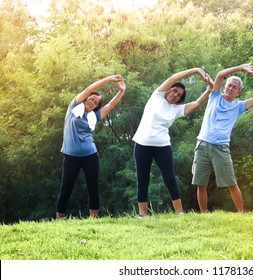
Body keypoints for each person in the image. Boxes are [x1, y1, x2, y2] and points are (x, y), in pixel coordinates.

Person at [132, 68, 214, 217]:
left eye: (179, 95)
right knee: (142, 179)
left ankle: (179, 212)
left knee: (169, 177)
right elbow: (172, 78)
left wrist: (209, 89)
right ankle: (142, 214)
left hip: (162, 146)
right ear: (169, 89)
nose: (175, 95)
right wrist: (196, 70)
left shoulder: (176, 109)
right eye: (174, 90)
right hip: (142, 144)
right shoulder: (156, 96)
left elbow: (196, 103)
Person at [191, 64, 253, 213]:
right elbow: (220, 75)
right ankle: (203, 213)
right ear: (224, 87)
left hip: (221, 147)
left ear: (238, 92)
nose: (231, 88)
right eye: (229, 85)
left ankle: (240, 213)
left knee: (231, 182)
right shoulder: (214, 95)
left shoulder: (238, 106)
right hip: (203, 144)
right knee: (200, 183)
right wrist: (242, 68)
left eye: (235, 87)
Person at [56, 75, 126, 219]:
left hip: (90, 155)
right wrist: (109, 79)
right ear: (86, 98)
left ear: (96, 106)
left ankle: (94, 218)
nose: (92, 102)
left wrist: (121, 91)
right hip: (71, 156)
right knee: (66, 188)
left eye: (95, 103)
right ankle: (59, 219)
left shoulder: (94, 116)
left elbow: (111, 106)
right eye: (91, 99)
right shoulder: (73, 107)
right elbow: (90, 88)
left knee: (93, 187)